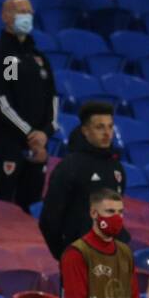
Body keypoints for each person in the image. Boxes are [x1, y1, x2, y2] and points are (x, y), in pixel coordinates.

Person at [0, 0, 57, 213]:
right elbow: (3, 103)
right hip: (8, 147)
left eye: (29, 12)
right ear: (5, 16)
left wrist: (45, 133)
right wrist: (30, 133)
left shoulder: (38, 58)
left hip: (37, 147)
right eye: (20, 11)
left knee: (30, 209)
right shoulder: (4, 57)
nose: (26, 16)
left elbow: (52, 98)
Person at [39, 101, 128, 261]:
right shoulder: (69, 167)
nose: (107, 133)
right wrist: (64, 254)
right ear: (85, 131)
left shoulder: (117, 169)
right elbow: (49, 220)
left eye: (110, 126)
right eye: (100, 127)